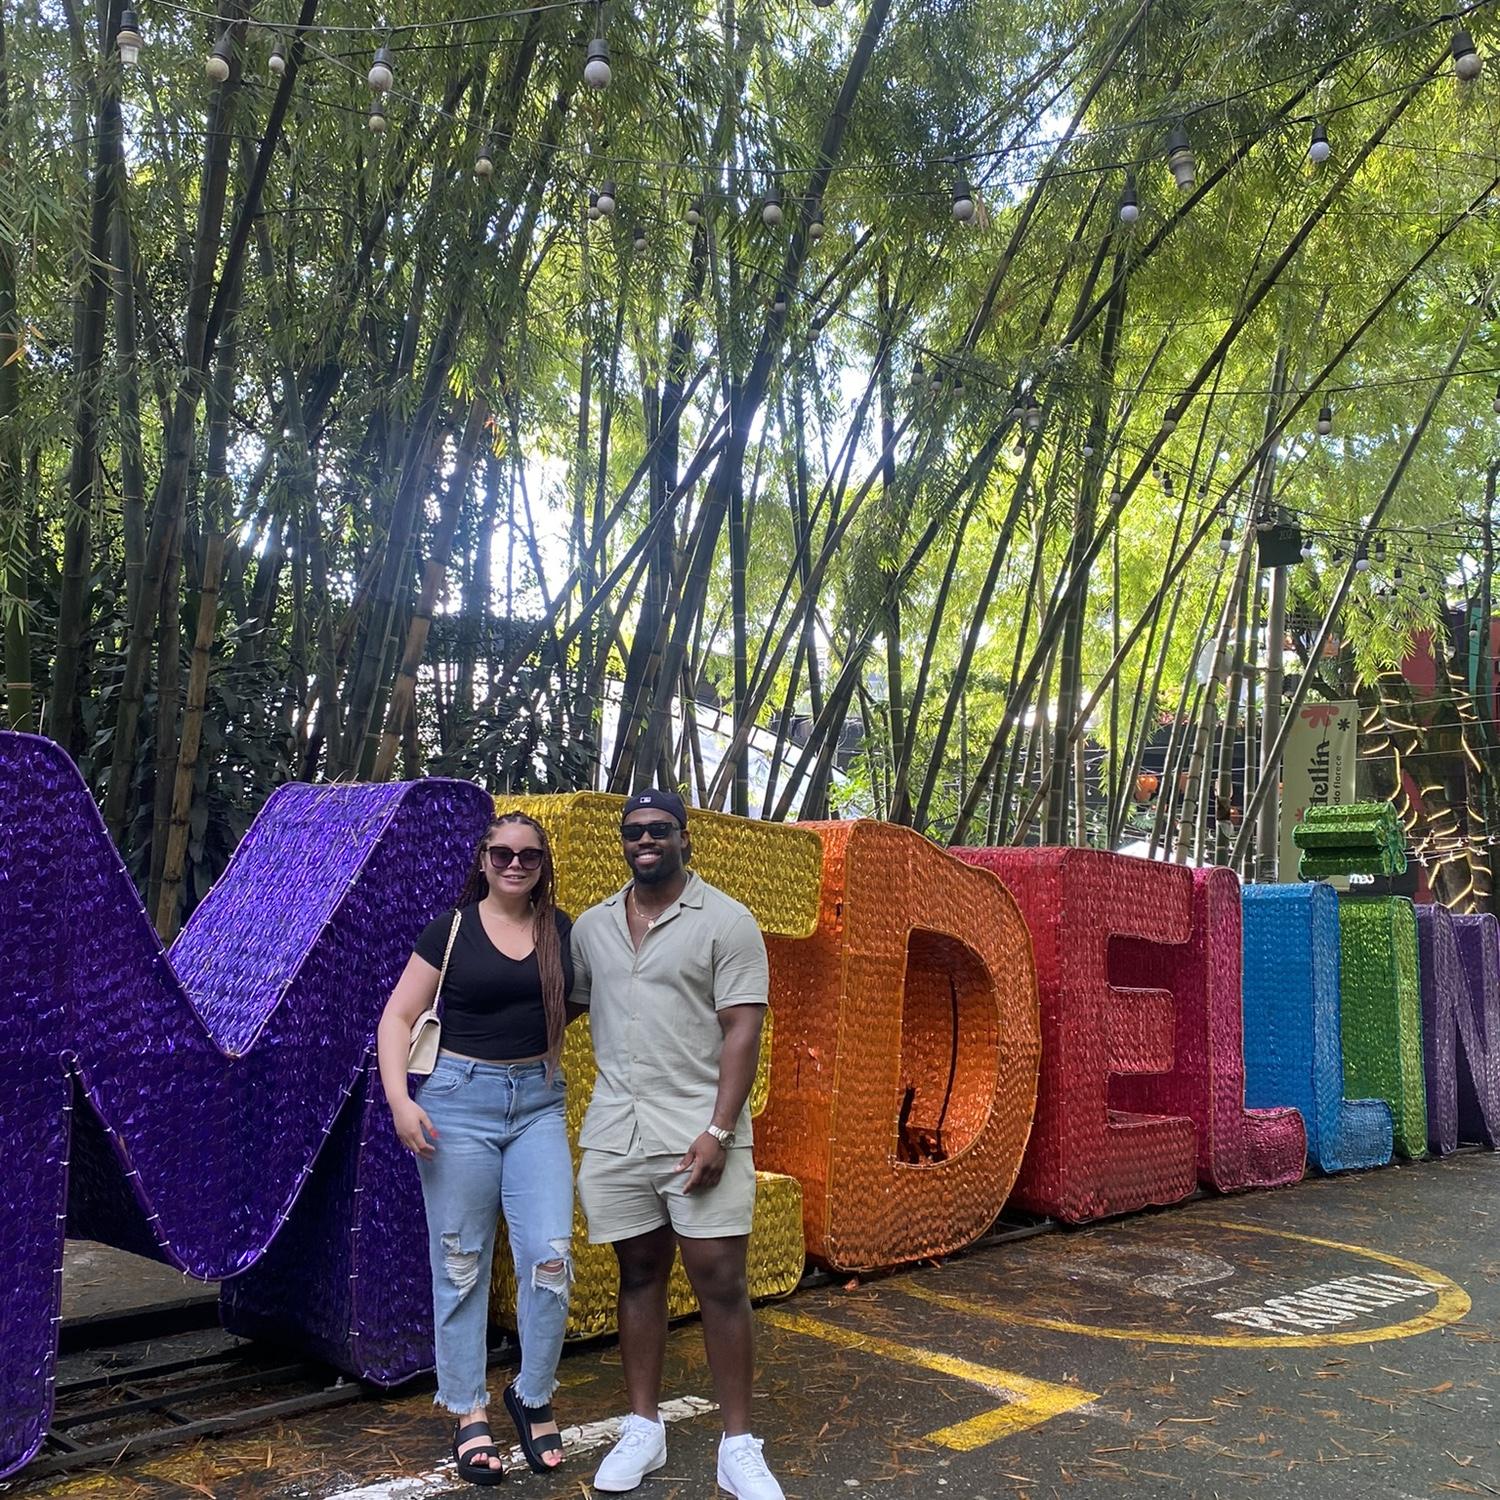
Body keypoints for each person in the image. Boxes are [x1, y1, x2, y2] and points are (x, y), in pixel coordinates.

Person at [571, 789, 785, 1500]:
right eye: (634, 831)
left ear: (685, 838)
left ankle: (738, 1445)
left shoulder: (727, 920)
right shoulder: (593, 926)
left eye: (660, 829)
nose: (646, 840)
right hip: (618, 1130)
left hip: (699, 1130)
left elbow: (742, 1030)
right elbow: (559, 1006)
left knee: (720, 1281)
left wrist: (720, 1129)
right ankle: (644, 1428)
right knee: (639, 1275)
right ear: (623, 841)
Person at [376, 812, 578, 1486]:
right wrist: (401, 1100)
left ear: (543, 864)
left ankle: (533, 1393)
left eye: (528, 855)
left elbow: (590, 1001)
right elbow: (397, 1016)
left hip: (538, 1103)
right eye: (502, 853)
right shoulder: (452, 928)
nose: (515, 864)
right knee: (461, 1263)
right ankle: (468, 1409)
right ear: (483, 859)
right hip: (458, 1103)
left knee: (550, 1256)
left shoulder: (561, 932)